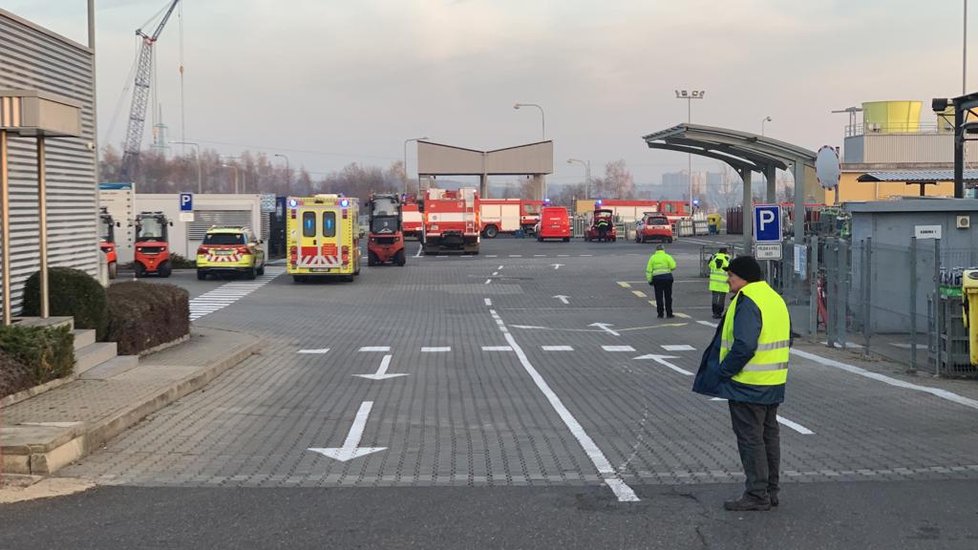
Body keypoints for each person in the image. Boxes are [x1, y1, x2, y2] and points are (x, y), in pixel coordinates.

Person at [691, 255, 791, 512]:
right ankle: (771, 490)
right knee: (769, 436)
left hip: (748, 382)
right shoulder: (772, 297)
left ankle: (757, 494)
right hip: (773, 380)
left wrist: (724, 371)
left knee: (751, 439)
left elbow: (745, 344)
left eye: (731, 275)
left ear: (743, 278)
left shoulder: (747, 300)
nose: (727, 279)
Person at [645, 244, 676, 318]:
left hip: (657, 279)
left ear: (656, 250)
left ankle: (660, 313)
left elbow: (649, 270)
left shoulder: (652, 258)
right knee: (668, 296)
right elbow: (673, 266)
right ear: (663, 249)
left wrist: (650, 280)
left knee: (659, 297)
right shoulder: (667, 256)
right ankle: (669, 313)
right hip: (667, 278)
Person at [708, 247, 732, 319]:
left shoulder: (713, 257)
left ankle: (714, 312)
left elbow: (709, 265)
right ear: (725, 252)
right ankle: (719, 313)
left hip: (714, 282)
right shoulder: (728, 259)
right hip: (723, 282)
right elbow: (731, 268)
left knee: (714, 297)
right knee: (721, 298)